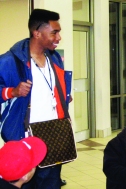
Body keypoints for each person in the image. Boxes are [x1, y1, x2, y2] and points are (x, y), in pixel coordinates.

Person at [0, 9, 72, 189]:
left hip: (53, 134)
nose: (59, 37)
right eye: (54, 32)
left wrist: (63, 100)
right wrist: (12, 92)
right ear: (37, 33)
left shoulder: (55, 59)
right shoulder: (9, 61)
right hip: (24, 137)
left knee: (51, 183)